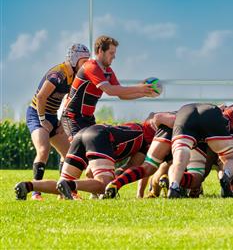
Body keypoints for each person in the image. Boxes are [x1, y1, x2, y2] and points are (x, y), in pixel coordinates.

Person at [14, 115, 156, 200]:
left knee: (62, 183)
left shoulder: (137, 128)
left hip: (84, 134)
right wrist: (114, 183)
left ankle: (29, 185)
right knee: (103, 185)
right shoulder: (148, 139)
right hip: (99, 137)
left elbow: (90, 172)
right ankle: (70, 186)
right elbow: (132, 168)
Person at [24, 44, 90, 200]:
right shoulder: (58, 74)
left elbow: (68, 98)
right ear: (74, 60)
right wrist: (42, 120)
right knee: (43, 149)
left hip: (53, 117)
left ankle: (64, 191)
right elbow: (41, 97)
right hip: (36, 114)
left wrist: (59, 120)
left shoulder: (74, 76)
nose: (87, 64)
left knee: (69, 154)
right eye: (84, 60)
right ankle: (35, 192)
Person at [61, 35, 158, 140]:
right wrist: (139, 88)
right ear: (100, 51)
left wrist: (145, 93)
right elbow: (110, 90)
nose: (114, 57)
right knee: (78, 151)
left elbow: (121, 95)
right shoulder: (91, 67)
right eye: (111, 53)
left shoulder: (108, 71)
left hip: (87, 118)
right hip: (73, 117)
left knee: (91, 148)